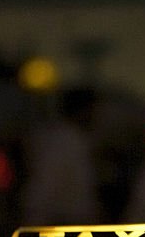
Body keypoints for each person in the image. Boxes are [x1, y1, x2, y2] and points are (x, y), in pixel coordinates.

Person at [21, 87, 103, 225]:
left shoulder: (72, 140)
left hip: (65, 224)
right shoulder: (65, 143)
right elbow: (46, 188)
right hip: (55, 226)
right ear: (84, 110)